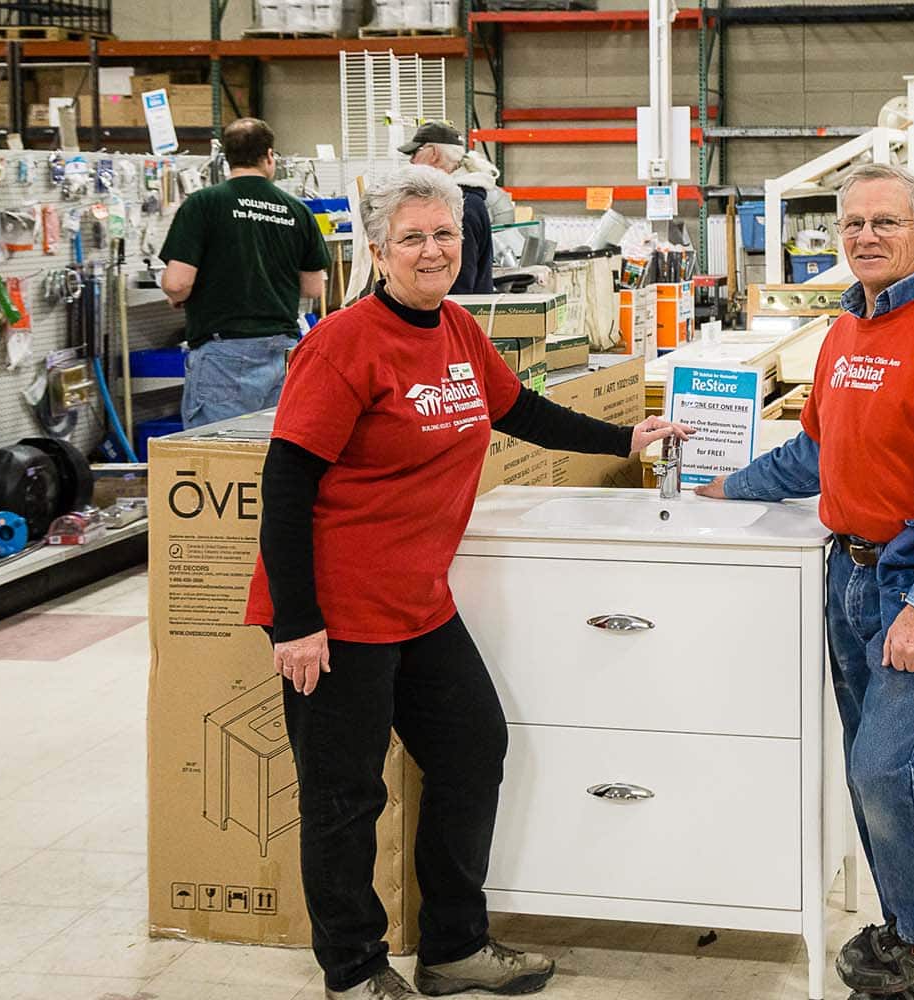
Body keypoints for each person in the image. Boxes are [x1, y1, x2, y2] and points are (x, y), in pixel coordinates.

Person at [243, 165, 693, 1000]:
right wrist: (297, 620)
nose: (431, 250)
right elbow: (286, 484)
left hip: (417, 602)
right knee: (345, 797)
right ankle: (355, 971)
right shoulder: (343, 344)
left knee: (472, 747)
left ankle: (453, 947)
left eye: (444, 234)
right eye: (411, 238)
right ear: (377, 252)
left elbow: (518, 408)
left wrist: (625, 437)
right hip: (337, 611)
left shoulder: (454, 329)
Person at [695, 162, 914, 1000]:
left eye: (886, 222)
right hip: (850, 574)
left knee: (886, 768)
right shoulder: (842, 334)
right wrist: (730, 485)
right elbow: (816, 452)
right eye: (853, 225)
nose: (866, 237)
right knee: (869, 769)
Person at [161, 117, 330, 428]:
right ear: (269, 156)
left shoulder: (203, 204)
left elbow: (177, 282)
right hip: (282, 352)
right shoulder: (296, 210)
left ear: (227, 158)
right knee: (271, 453)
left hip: (223, 354)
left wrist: (179, 296)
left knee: (220, 458)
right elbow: (313, 287)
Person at [400, 121, 495, 294]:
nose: (412, 161)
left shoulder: (461, 205)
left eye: (415, 153)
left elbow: (459, 279)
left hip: (461, 311)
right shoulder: (465, 199)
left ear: (434, 154)